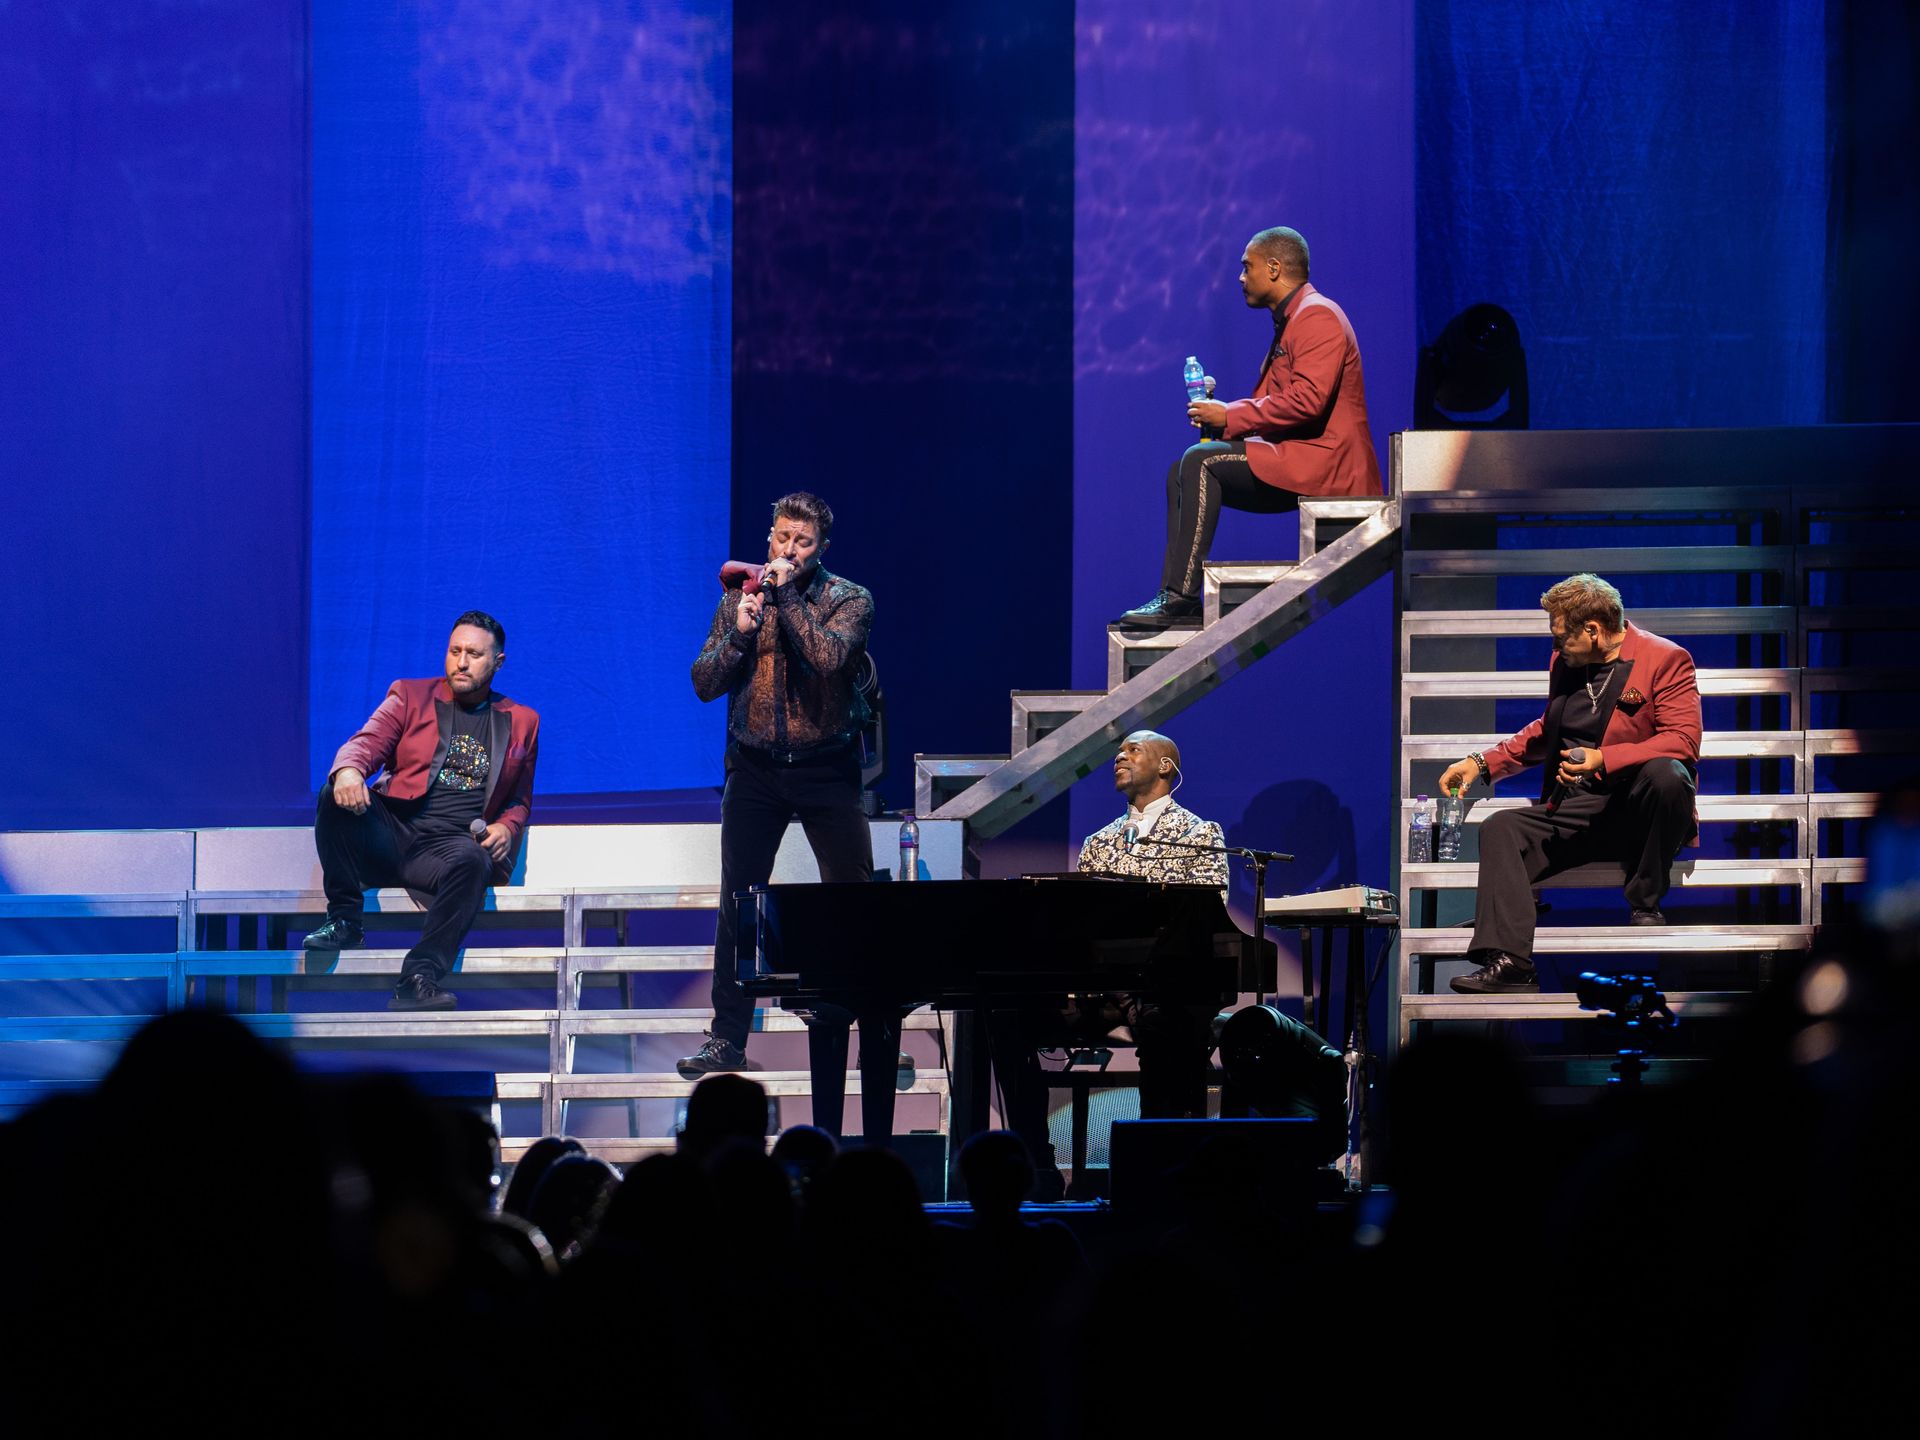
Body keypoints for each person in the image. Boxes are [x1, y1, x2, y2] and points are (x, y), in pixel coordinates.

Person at [680, 493, 900, 1143]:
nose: (787, 551)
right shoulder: (739, 598)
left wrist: (785, 596)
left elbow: (829, 659)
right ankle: (727, 1039)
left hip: (827, 770)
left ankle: (871, 1019)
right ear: (769, 534)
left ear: (820, 548)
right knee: (738, 903)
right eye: (781, 538)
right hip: (754, 771)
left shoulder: (848, 599)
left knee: (851, 895)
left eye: (801, 543)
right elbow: (703, 680)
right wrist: (742, 633)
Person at [992, 731, 1230, 1197]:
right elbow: (1080, 926)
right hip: (1102, 992)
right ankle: (1037, 1164)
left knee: (1163, 1021)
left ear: (1165, 767)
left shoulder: (1200, 834)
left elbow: (1204, 919)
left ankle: (1153, 1171)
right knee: (1007, 1015)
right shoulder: (1097, 842)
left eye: (1133, 750)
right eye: (1118, 752)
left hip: (1163, 987)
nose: (1119, 757)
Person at [1438, 574, 1701, 994]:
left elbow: (1682, 740)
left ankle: (1646, 898)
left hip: (1639, 809)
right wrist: (1482, 763)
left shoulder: (1664, 658)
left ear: (1593, 630)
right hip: (1579, 809)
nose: (1555, 646)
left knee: (1668, 774)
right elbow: (1550, 730)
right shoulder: (1567, 663)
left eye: (1561, 637)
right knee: (1501, 828)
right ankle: (1512, 963)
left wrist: (1604, 758)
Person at [1117, 225, 1383, 629]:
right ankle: (1175, 591)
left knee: (1200, 463)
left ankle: (1182, 596)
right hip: (1302, 458)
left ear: (1274, 268)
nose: (1241, 278)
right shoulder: (1293, 320)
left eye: (1247, 267)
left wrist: (1231, 416)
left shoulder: (1317, 317)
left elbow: (1308, 401)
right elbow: (1279, 406)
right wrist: (1224, 422)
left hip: (1327, 468)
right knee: (1182, 472)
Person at [307, 610, 540, 1010]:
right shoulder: (409, 696)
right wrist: (347, 771)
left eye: (474, 654)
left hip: (448, 849)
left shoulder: (522, 721)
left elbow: (519, 800)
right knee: (333, 792)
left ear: (498, 662)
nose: (461, 662)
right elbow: (366, 743)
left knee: (474, 859)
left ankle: (418, 977)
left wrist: (507, 826)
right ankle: (345, 920)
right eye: (455, 651)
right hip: (394, 832)